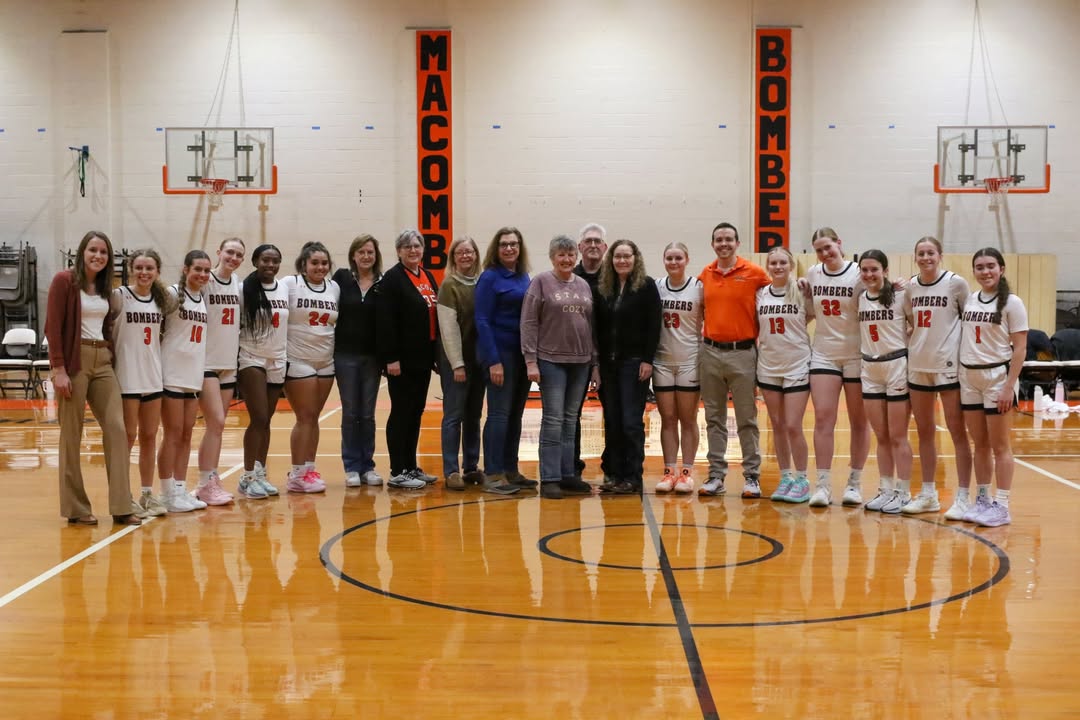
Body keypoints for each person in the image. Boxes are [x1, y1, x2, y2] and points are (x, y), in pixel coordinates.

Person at [45, 230, 140, 526]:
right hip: (75, 362)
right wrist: (59, 370)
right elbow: (53, 326)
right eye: (93, 250)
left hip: (103, 361)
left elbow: (107, 327)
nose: (98, 255)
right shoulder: (64, 281)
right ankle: (76, 508)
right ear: (82, 253)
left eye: (103, 252)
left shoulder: (104, 288)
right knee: (71, 435)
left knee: (116, 428)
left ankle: (122, 505)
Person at [521, 235, 599, 500]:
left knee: (570, 420)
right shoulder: (541, 282)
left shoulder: (584, 286)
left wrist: (594, 362)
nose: (566, 260)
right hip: (551, 361)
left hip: (581, 362)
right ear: (552, 257)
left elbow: (590, 325)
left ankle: (568, 474)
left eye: (570, 255)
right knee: (553, 420)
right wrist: (530, 360)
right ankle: (550, 478)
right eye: (561, 255)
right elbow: (529, 322)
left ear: (575, 257)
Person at [697, 222, 770, 498]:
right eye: (719, 240)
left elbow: (777, 294)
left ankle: (752, 476)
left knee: (746, 419)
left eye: (729, 239)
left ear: (737, 243)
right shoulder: (706, 274)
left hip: (743, 353)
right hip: (711, 352)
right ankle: (716, 475)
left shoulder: (754, 273)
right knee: (713, 418)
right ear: (713, 244)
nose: (724, 244)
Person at [902, 236, 972, 517]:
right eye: (921, 253)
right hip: (918, 364)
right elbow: (910, 321)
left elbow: (969, 320)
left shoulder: (956, 283)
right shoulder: (910, 286)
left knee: (957, 433)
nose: (926, 258)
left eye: (931, 253)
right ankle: (928, 493)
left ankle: (964, 496)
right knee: (924, 433)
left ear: (940, 255)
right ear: (915, 256)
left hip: (948, 366)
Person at [958, 248, 1027, 527]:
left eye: (990, 266)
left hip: (997, 377)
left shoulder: (1012, 302)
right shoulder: (972, 299)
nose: (985, 272)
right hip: (969, 378)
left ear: (1001, 269)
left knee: (1000, 446)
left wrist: (1009, 387)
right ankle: (983, 500)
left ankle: (1003, 505)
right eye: (979, 267)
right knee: (980, 444)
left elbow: (1020, 348)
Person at [804, 227, 870, 507]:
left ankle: (854, 483)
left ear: (839, 244)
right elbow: (807, 311)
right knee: (823, 419)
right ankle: (822, 485)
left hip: (857, 353)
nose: (825, 253)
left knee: (858, 421)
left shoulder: (859, 273)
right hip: (824, 353)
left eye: (828, 247)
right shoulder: (812, 274)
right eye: (819, 250)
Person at [593, 239, 660, 494]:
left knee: (631, 421)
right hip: (608, 366)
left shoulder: (646, 286)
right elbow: (597, 329)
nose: (622, 260)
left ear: (635, 258)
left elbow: (654, 326)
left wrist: (647, 360)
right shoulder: (604, 288)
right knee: (612, 420)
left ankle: (633, 476)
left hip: (634, 364)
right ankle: (614, 474)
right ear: (611, 259)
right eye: (617, 256)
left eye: (627, 256)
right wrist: (596, 365)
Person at [376, 229, 440, 490]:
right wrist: (391, 358)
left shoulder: (426, 276)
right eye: (407, 246)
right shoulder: (393, 279)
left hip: (423, 359)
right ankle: (397, 470)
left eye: (417, 246)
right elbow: (385, 321)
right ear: (399, 251)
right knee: (401, 413)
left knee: (415, 413)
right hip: (401, 362)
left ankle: (411, 466)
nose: (413, 250)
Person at [112, 249, 171, 517]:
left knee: (149, 437)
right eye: (139, 267)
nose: (144, 272)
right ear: (131, 269)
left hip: (153, 377)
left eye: (149, 268)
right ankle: (124, 496)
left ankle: (147, 493)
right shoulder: (119, 296)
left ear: (157, 271)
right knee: (128, 437)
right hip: (127, 377)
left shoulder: (162, 300)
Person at [474, 227, 531, 495]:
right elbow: (482, 320)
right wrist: (493, 360)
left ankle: (510, 469)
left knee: (516, 415)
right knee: (498, 414)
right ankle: (493, 473)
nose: (510, 249)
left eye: (514, 244)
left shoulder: (523, 277)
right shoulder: (489, 278)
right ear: (496, 249)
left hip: (521, 355)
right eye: (505, 244)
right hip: (500, 354)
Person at [856, 250, 914, 514]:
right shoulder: (860, 298)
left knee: (898, 435)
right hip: (870, 367)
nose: (869, 275)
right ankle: (886, 489)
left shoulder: (902, 296)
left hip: (896, 365)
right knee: (881, 436)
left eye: (874, 270)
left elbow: (917, 326)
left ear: (885, 270)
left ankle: (903, 492)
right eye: (864, 270)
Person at [755, 247, 813, 504]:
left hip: (797, 365)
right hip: (768, 365)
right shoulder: (760, 294)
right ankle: (786, 476)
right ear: (768, 266)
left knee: (792, 425)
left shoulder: (802, 291)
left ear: (791, 266)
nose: (778, 267)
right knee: (776, 425)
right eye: (773, 263)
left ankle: (802, 478)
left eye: (782, 263)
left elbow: (812, 316)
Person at [282, 241, 340, 493]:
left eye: (324, 263)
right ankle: (296, 473)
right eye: (314, 262)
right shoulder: (290, 284)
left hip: (326, 360)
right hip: (298, 359)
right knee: (304, 417)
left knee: (314, 418)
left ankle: (308, 468)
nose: (320, 267)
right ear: (303, 265)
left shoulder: (334, 287)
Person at [157, 249, 212, 513]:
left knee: (187, 434)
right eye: (197, 269)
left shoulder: (202, 298)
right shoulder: (169, 294)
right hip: (171, 374)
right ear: (185, 269)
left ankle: (180, 488)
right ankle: (166, 492)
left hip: (193, 374)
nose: (202, 274)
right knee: (172, 434)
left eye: (205, 270)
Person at [194, 237, 245, 506]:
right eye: (229, 252)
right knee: (217, 422)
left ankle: (210, 480)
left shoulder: (238, 284)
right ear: (219, 252)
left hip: (229, 364)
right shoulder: (206, 280)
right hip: (206, 362)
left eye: (238, 255)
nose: (233, 258)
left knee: (217, 427)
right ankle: (204, 482)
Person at [235, 244, 289, 499]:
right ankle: (246, 477)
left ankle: (260, 472)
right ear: (256, 261)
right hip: (252, 357)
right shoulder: (243, 290)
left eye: (275, 261)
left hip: (277, 359)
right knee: (257, 418)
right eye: (265, 260)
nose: (270, 265)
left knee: (266, 420)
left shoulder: (285, 287)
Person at [333, 234, 384, 488]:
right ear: (353, 255)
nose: (366, 256)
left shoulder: (382, 283)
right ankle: (352, 466)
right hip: (345, 356)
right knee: (351, 412)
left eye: (370, 252)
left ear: (376, 256)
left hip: (372, 358)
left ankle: (368, 466)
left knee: (368, 414)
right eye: (361, 252)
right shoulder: (341, 279)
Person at [437, 235, 487, 490]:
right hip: (456, 361)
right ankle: (451, 471)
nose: (466, 256)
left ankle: (470, 467)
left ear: (476, 255)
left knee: (474, 416)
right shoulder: (449, 286)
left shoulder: (482, 283)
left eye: (470, 251)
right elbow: (448, 329)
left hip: (479, 361)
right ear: (453, 258)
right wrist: (457, 364)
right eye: (460, 252)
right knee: (453, 416)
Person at [653, 242, 703, 494]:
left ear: (687, 259)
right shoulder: (657, 287)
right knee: (668, 419)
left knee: (688, 418)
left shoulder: (698, 288)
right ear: (664, 260)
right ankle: (669, 470)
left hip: (689, 361)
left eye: (678, 258)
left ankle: (686, 472)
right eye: (669, 258)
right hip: (662, 361)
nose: (674, 262)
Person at [572, 223, 608, 480]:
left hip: (610, 357)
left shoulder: (616, 276)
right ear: (579, 247)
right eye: (588, 241)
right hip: (575, 357)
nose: (593, 245)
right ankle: (570, 466)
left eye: (598, 241)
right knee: (570, 413)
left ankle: (613, 466)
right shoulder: (569, 277)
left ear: (604, 247)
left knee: (615, 413)